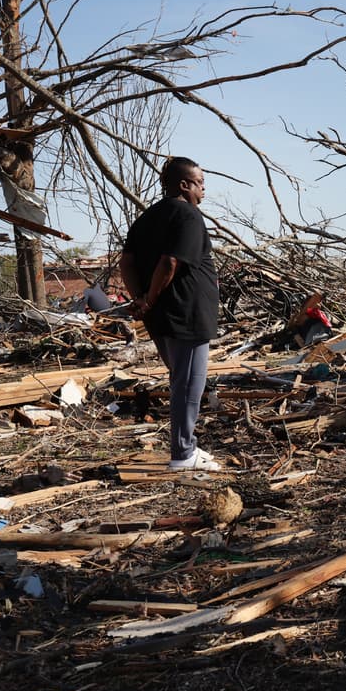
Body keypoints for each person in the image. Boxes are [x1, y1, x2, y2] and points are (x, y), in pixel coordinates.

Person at [120, 157, 221, 472]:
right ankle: (183, 454)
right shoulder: (187, 215)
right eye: (200, 182)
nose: (204, 189)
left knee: (182, 380)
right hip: (186, 313)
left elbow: (126, 262)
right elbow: (170, 263)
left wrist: (141, 298)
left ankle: (186, 446)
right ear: (184, 184)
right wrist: (148, 299)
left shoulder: (148, 217)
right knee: (189, 383)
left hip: (163, 316)